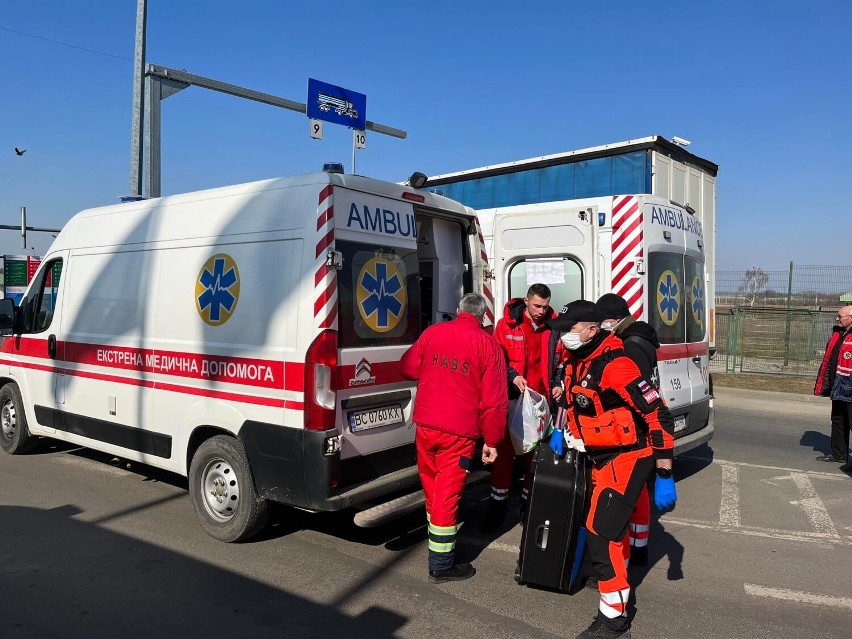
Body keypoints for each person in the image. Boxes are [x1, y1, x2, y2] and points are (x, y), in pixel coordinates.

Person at [548, 301, 677, 639]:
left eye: (570, 329)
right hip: (598, 456)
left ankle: (614, 620)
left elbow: (658, 415)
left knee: (601, 534)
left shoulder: (616, 365)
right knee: (609, 531)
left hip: (629, 456)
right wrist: (560, 429)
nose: (563, 336)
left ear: (592, 330)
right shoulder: (576, 360)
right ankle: (613, 585)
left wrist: (664, 473)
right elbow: (572, 401)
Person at [399, 292, 508, 583]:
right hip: (458, 433)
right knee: (447, 494)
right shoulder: (489, 346)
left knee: (433, 488)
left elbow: (407, 367)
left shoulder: (433, 333)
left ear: (458, 309)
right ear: (483, 316)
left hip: (426, 425)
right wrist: (493, 441)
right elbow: (494, 402)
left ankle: (437, 542)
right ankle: (442, 564)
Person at [479, 283, 562, 533]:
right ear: (526, 301)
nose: (541, 311)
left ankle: (528, 510)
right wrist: (513, 376)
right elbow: (497, 358)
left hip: (540, 402)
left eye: (545, 307)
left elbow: (560, 361)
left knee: (533, 460)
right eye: (537, 305)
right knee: (503, 459)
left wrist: (558, 384)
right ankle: (497, 510)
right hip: (512, 401)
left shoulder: (554, 328)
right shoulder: (506, 325)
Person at [596, 293, 661, 566]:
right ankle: (639, 546)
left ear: (613, 319)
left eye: (603, 321)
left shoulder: (631, 344)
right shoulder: (641, 336)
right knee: (639, 491)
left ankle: (634, 550)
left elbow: (636, 390)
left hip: (635, 428)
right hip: (642, 425)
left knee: (632, 493)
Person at [814, 305, 852, 466]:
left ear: (850, 317)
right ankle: (838, 454)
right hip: (839, 385)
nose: (837, 318)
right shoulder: (838, 333)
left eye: (840, 316)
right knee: (838, 419)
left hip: (850, 387)